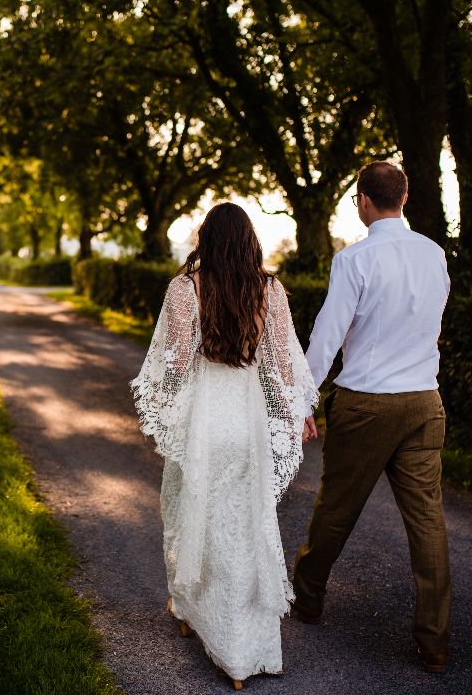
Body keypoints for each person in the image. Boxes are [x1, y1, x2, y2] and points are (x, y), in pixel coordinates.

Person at [131, 203, 319, 689]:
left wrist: (166, 409)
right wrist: (301, 413)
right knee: (246, 526)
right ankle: (246, 648)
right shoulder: (270, 290)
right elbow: (282, 364)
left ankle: (197, 614)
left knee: (192, 515)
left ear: (207, 240)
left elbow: (170, 367)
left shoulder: (185, 290)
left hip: (204, 426)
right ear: (249, 241)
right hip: (249, 426)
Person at [292, 161, 452, 673]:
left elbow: (327, 336)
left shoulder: (354, 259)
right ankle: (434, 642)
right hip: (425, 403)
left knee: (337, 508)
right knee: (427, 522)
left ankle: (309, 598)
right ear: (403, 198)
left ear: (363, 200)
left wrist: (301, 399)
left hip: (365, 403)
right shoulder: (434, 255)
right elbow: (432, 325)